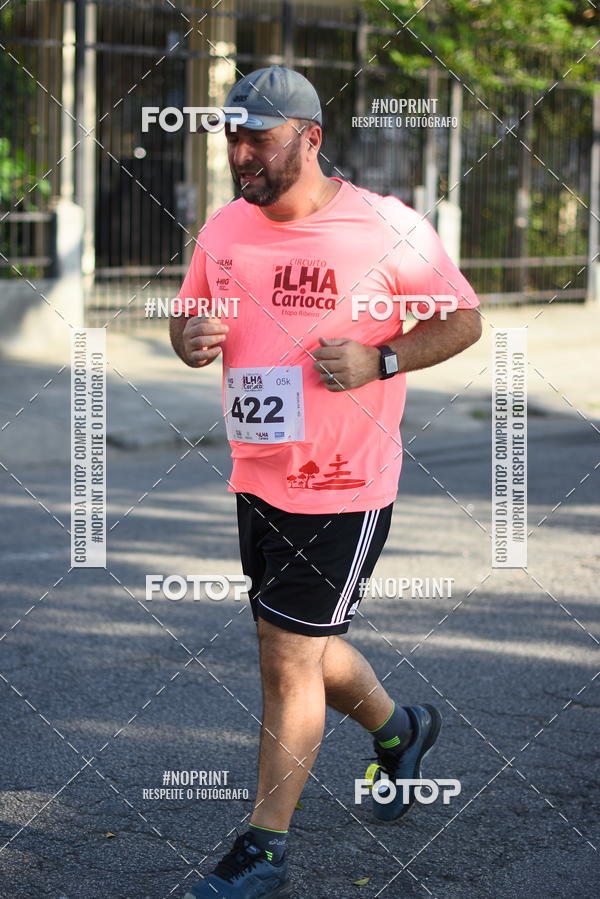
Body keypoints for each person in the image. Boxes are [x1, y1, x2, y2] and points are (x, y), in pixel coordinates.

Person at [170, 65, 481, 899]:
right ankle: (400, 726)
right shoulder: (225, 229)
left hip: (345, 480)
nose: (241, 154)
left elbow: (463, 317)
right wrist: (190, 338)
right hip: (259, 473)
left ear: (308, 139)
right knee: (297, 640)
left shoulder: (387, 228)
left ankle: (262, 846)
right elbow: (186, 314)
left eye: (258, 138)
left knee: (285, 655)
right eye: (232, 136)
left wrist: (384, 356)